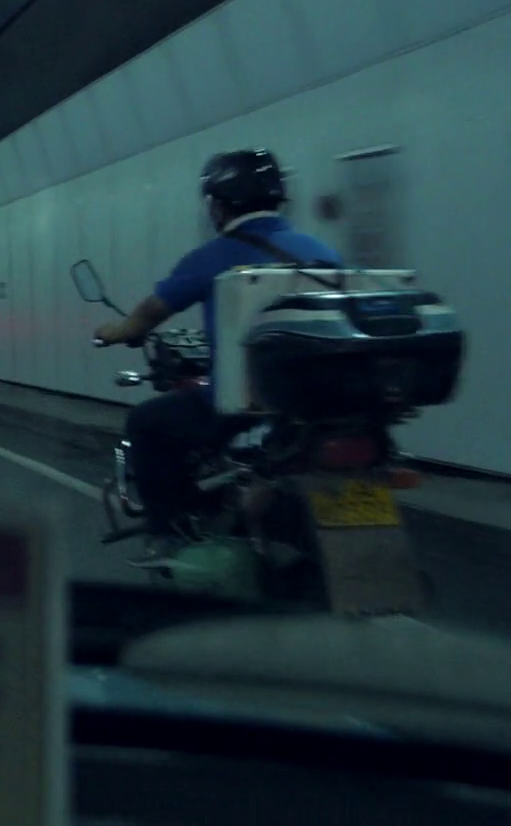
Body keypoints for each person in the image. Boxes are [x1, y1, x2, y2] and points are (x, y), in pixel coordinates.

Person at [92, 149, 339, 560]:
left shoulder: (214, 256)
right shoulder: (321, 252)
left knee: (146, 424)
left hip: (245, 403)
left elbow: (149, 314)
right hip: (319, 402)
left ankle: (168, 531)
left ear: (218, 206)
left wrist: (117, 332)